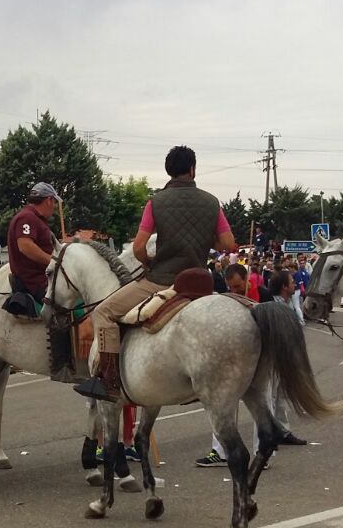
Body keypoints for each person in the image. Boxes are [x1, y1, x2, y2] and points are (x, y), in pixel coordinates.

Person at [79, 146, 235, 401]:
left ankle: (109, 381)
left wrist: (148, 260)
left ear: (168, 171)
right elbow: (228, 244)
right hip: (200, 281)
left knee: (103, 312)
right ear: (193, 169)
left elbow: (139, 247)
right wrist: (208, 240)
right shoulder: (211, 202)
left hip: (162, 280)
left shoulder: (156, 202)